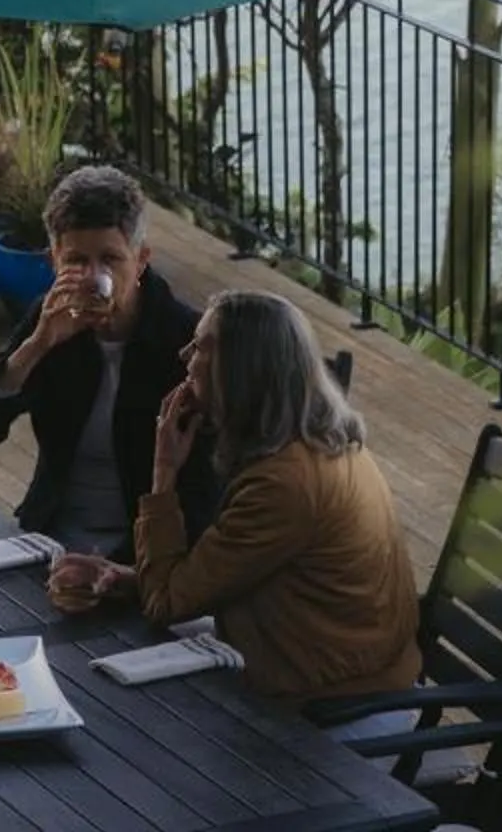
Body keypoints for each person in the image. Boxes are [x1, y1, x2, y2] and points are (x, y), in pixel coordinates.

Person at [52, 291, 421, 708]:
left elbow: (165, 604)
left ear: (241, 371)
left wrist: (164, 472)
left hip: (335, 703)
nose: (184, 354)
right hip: (324, 661)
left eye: (202, 346)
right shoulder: (318, 442)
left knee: (107, 707)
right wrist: (123, 578)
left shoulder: (283, 485)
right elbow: (212, 579)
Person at [0, 164, 219, 567]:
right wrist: (36, 346)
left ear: (141, 260)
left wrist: (121, 570)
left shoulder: (183, 340)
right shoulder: (50, 322)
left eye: (110, 259)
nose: (95, 277)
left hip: (149, 551)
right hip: (49, 538)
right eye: (77, 260)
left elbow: (206, 490)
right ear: (53, 260)